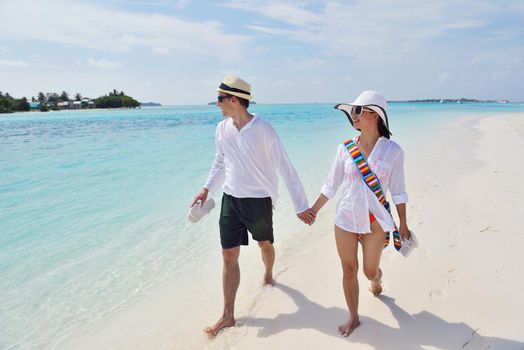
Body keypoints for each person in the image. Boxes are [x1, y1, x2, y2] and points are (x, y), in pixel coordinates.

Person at [191, 75, 316, 336]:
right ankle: (227, 315)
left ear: (234, 100)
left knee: (264, 245)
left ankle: (268, 273)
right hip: (230, 200)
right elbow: (220, 162)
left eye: (220, 99)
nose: (217, 104)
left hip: (259, 200)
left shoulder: (264, 129)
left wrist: (301, 206)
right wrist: (205, 189)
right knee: (228, 256)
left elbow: (286, 167)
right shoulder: (221, 129)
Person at [310, 90, 411, 337]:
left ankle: (376, 281)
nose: (353, 116)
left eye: (357, 110)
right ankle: (353, 316)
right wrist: (313, 210)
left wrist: (403, 224)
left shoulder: (393, 151)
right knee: (348, 270)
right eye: (352, 111)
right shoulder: (345, 148)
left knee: (368, 271)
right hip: (344, 218)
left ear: (375, 115)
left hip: (375, 222)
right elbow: (331, 185)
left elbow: (398, 192)